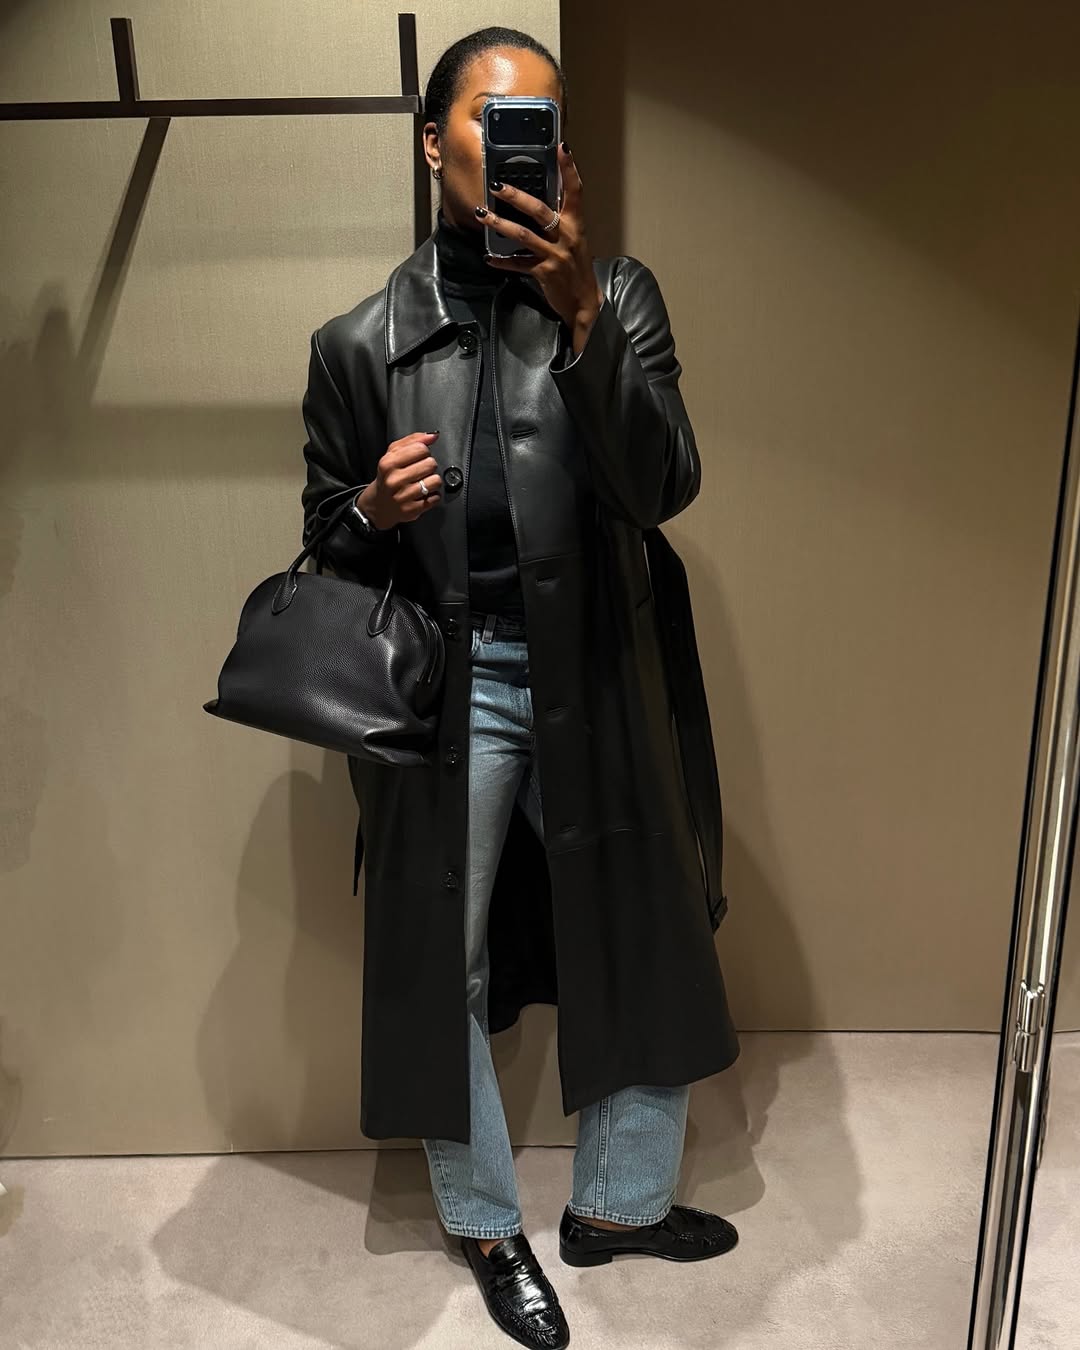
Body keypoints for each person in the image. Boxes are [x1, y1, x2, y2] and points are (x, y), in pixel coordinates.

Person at [300, 26, 741, 1350]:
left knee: (645, 927)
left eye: (540, 124)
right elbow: (323, 542)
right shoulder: (361, 343)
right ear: (432, 142)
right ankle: (488, 1222)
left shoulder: (619, 295)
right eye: (491, 120)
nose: (514, 147)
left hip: (596, 665)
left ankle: (617, 1205)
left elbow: (662, 484)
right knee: (440, 958)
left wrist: (584, 316)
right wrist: (370, 508)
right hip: (449, 687)